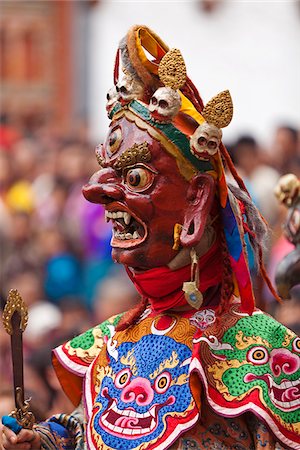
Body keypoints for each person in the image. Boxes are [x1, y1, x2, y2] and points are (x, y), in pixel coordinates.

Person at [2, 25, 300, 450]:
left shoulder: (267, 353)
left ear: (196, 201)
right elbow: (87, 425)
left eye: (136, 177)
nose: (97, 192)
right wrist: (44, 440)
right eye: (108, 172)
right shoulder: (113, 339)